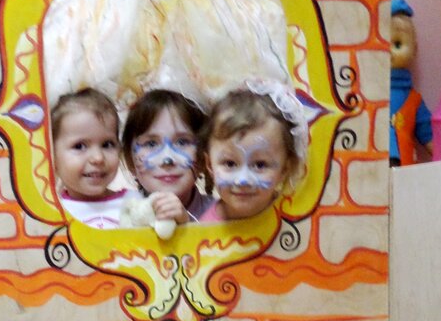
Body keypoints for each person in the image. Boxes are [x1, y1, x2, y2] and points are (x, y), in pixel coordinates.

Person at [200, 83, 308, 222]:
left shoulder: (293, 216)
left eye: (260, 165)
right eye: (230, 163)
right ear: (210, 165)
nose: (242, 180)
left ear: (284, 169)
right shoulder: (207, 228)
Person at [120, 88, 210, 226]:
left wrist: (186, 227)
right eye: (151, 144)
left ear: (203, 156)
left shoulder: (224, 216)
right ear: (129, 160)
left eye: (182, 142)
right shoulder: (118, 217)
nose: (167, 159)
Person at [51, 88, 136, 228]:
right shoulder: (50, 214)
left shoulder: (135, 204)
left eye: (107, 144)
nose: (98, 158)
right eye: (79, 146)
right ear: (52, 156)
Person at [389, 0, 433, 166]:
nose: (389, 52)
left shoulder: (414, 101)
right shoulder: (368, 93)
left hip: (404, 171)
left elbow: (428, 134)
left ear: (415, 49)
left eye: (397, 44)